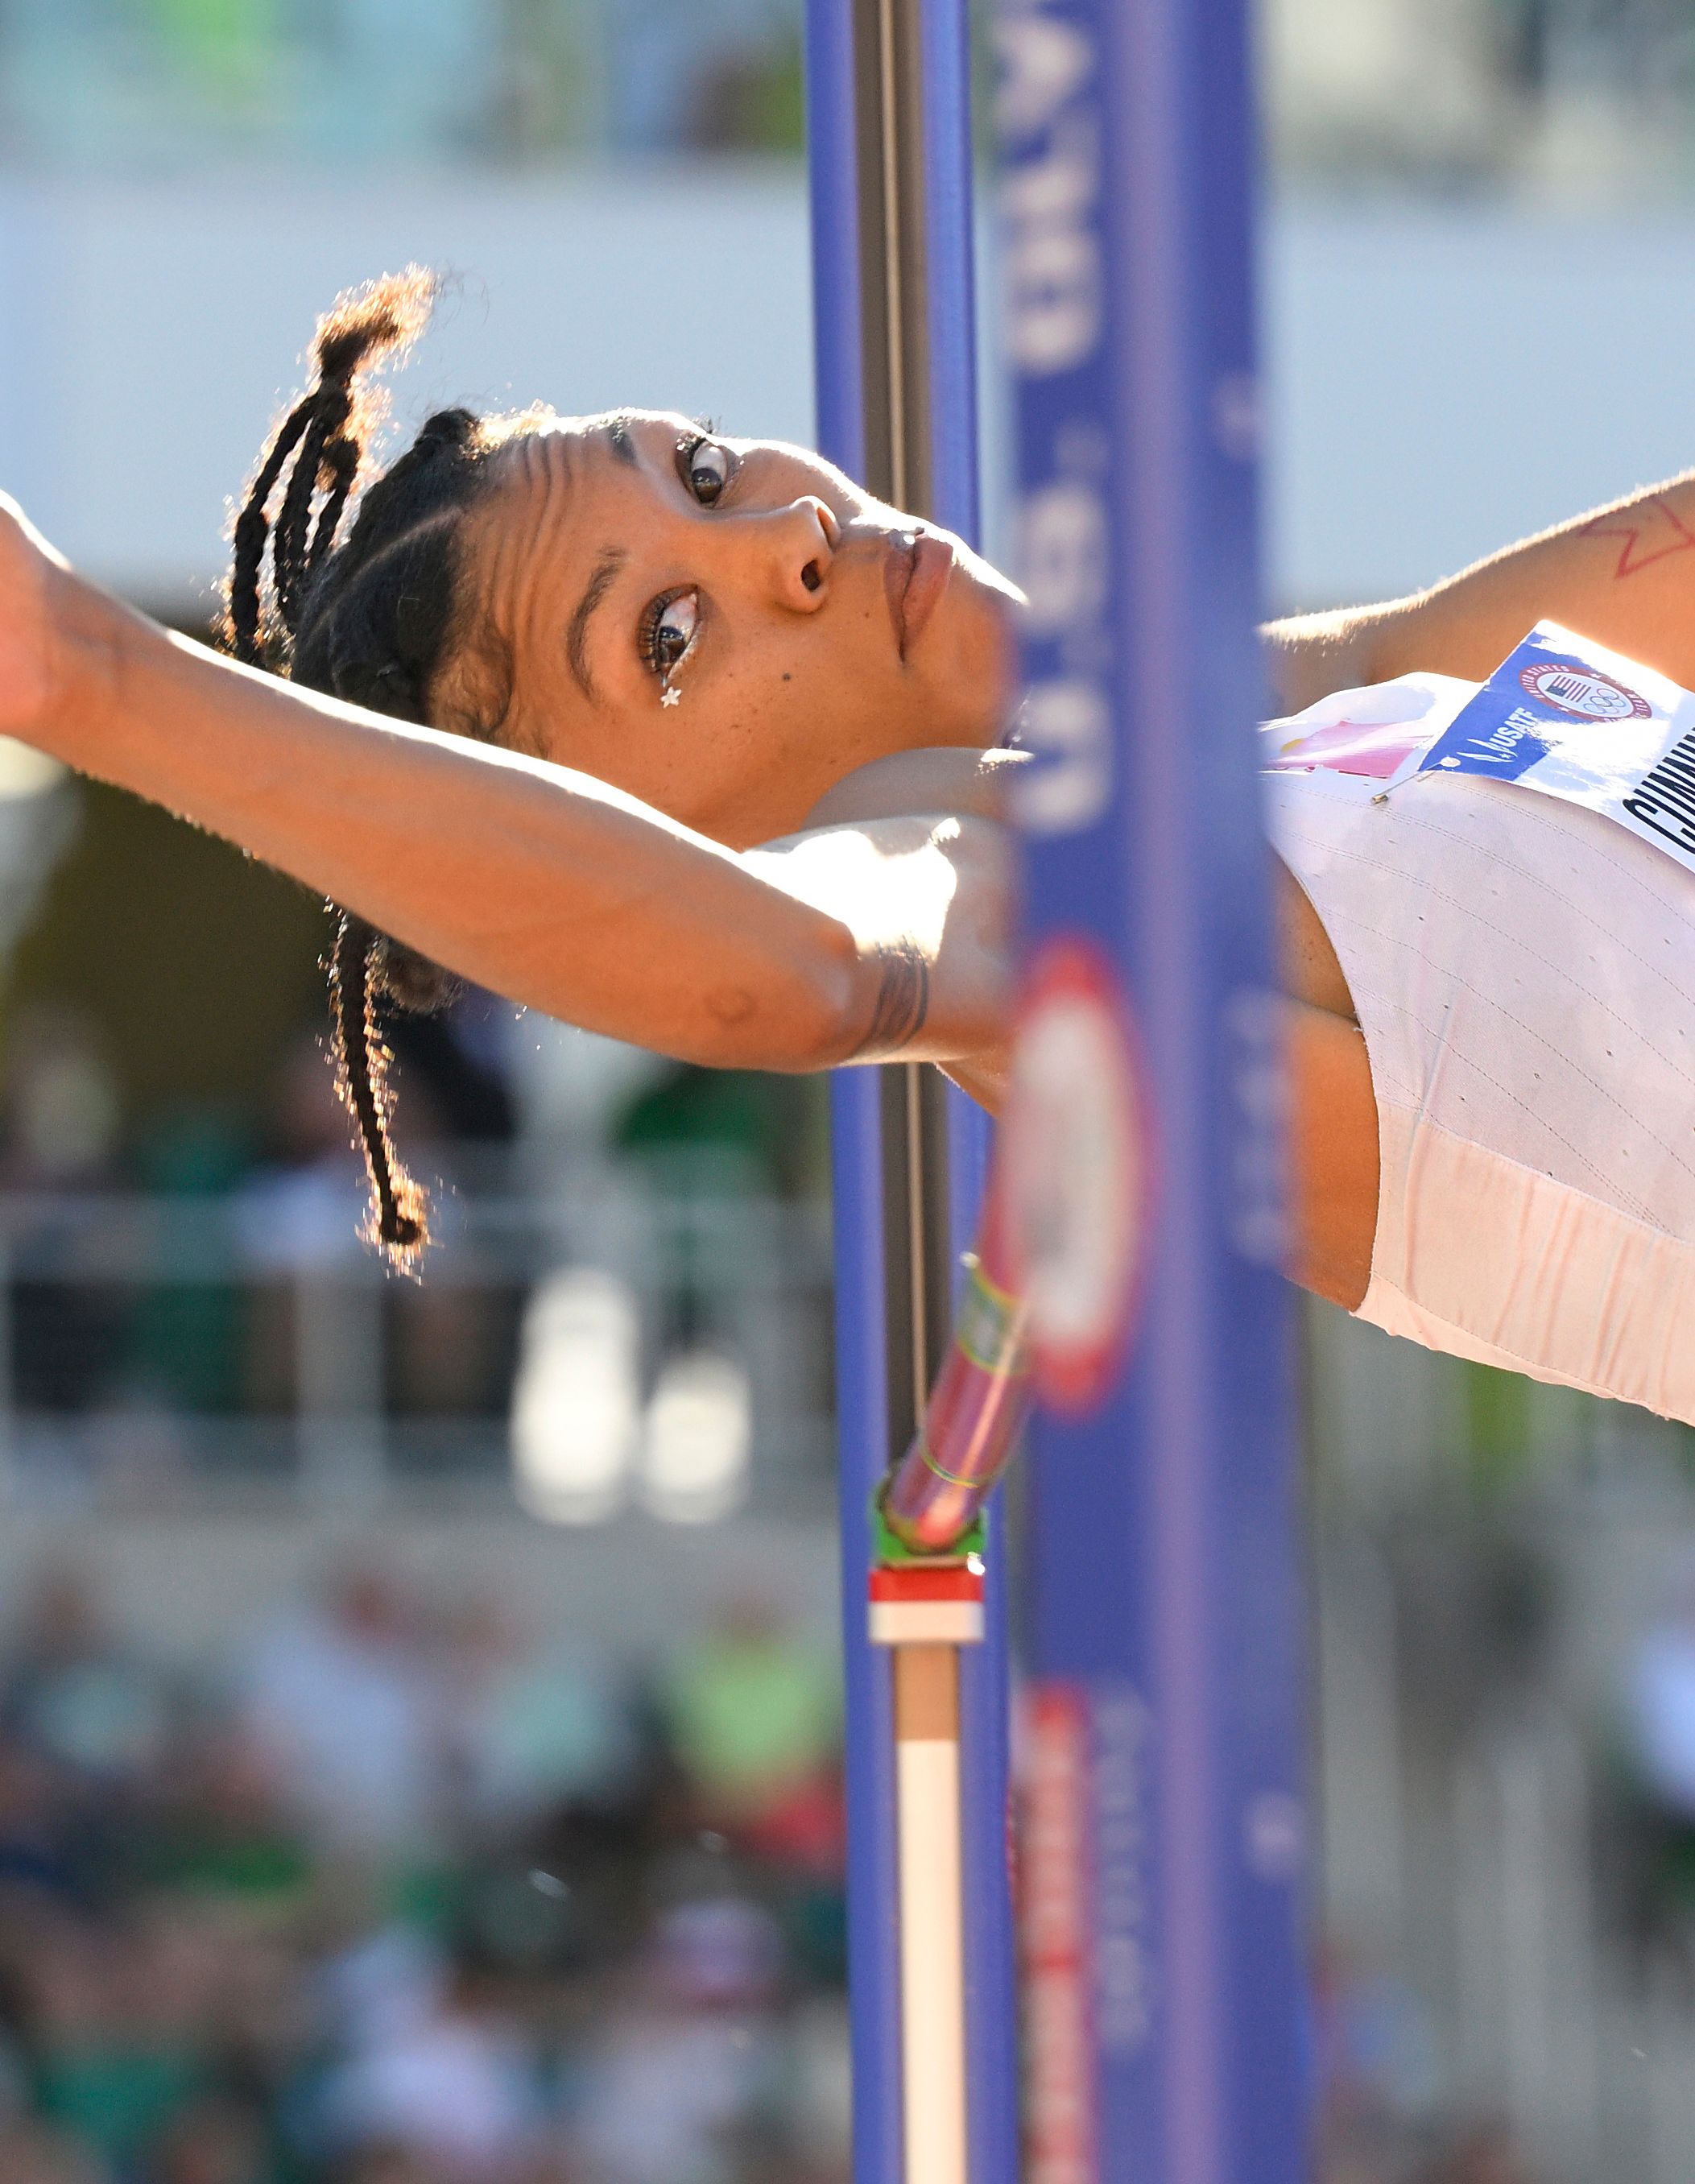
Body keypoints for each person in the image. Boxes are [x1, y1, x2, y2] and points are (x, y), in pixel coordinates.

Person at [2, 268, 1694, 1421]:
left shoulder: (1289, 700)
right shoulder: (989, 882)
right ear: (639, 836)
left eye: (710, 472)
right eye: (668, 640)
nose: (795, 538)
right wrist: (93, 683)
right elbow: (801, 972)